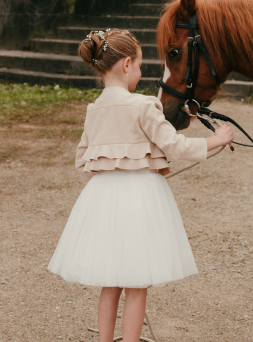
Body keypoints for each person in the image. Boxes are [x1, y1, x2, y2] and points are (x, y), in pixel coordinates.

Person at [47, 28, 234, 342]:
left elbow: (82, 160)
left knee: (111, 280)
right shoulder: (145, 105)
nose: (142, 72)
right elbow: (174, 145)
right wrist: (216, 139)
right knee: (136, 281)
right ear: (125, 65)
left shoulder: (94, 111)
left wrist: (105, 185)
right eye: (139, 65)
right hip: (140, 199)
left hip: (103, 197)